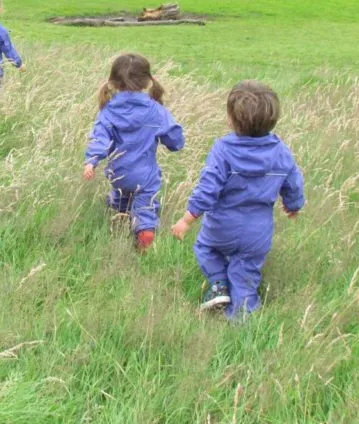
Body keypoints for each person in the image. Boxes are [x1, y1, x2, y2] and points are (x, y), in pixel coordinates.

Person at [172, 81, 305, 318]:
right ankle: (242, 318)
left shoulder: (223, 149)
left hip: (221, 226)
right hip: (258, 231)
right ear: (274, 119)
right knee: (246, 276)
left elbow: (208, 189)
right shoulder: (281, 151)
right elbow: (294, 182)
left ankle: (219, 285)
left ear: (231, 119)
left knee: (205, 247)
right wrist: (293, 205)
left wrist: (187, 219)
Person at [83, 54, 185, 251]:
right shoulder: (154, 109)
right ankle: (145, 234)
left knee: (121, 197)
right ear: (147, 81)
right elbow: (175, 140)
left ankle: (121, 217)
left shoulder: (109, 110)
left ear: (113, 82)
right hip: (145, 175)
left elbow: (99, 137)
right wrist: (174, 143)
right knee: (145, 205)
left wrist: (92, 160)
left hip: (118, 173)